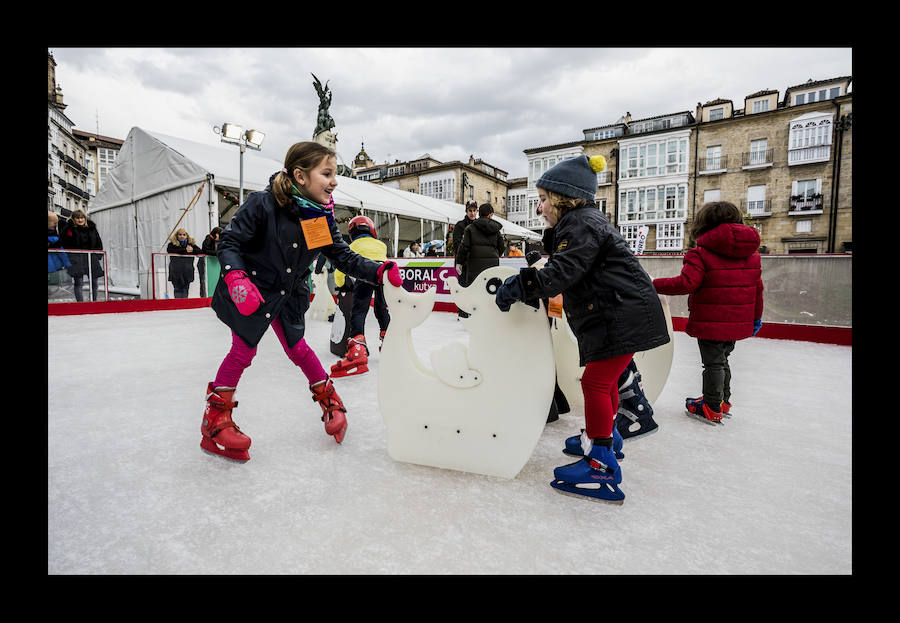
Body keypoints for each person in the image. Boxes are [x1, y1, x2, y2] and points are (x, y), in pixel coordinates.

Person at [205, 140, 401, 461]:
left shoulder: (317, 217)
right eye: (327, 173)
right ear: (300, 176)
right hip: (251, 292)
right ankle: (214, 420)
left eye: (334, 173)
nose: (334, 181)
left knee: (298, 348)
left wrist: (379, 271)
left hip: (288, 293)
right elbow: (230, 241)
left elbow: (343, 257)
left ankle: (329, 400)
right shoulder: (263, 204)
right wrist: (235, 277)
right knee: (243, 350)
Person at [494, 154, 669, 503]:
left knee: (596, 382)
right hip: (622, 311)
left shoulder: (580, 223)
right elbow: (569, 262)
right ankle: (603, 437)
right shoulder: (582, 222)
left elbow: (563, 271)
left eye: (543, 199)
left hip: (621, 313)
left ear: (563, 197)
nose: (540, 208)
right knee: (603, 381)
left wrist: (521, 285)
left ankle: (600, 463)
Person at [652, 201, 763, 425]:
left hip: (711, 322)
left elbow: (686, 283)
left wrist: (652, 284)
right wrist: (756, 317)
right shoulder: (752, 255)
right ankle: (722, 401)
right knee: (723, 360)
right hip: (738, 322)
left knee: (713, 363)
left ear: (704, 223)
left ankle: (711, 407)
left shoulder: (700, 253)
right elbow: (758, 288)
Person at [330, 215, 392, 377]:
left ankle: (358, 350)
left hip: (365, 276)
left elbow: (342, 267)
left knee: (359, 310)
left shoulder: (353, 245)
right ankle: (388, 341)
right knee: (381, 309)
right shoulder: (381, 245)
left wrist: (341, 283)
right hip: (383, 276)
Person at [59, 209, 104, 302]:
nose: (80, 220)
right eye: (77, 218)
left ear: (85, 218)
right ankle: (80, 303)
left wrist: (98, 255)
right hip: (76, 258)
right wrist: (68, 226)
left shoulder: (91, 228)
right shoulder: (69, 229)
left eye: (82, 217)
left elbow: (98, 241)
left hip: (91, 258)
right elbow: (64, 241)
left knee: (94, 283)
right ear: (73, 219)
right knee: (78, 282)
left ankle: (93, 302)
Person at [455, 203, 505, 287]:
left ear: (479, 213)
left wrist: (459, 262)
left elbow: (464, 247)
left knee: (474, 292)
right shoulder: (496, 230)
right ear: (490, 215)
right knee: (490, 291)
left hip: (474, 267)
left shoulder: (470, 228)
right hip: (492, 266)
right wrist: (495, 255)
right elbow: (502, 247)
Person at [166, 228, 202, 299]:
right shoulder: (172, 244)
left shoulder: (191, 245)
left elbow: (200, 251)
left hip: (187, 271)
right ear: (177, 236)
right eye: (180, 234)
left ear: (187, 236)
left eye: (184, 235)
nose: (182, 236)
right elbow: (170, 250)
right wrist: (185, 250)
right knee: (177, 289)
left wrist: (192, 250)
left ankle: (185, 304)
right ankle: (178, 304)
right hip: (176, 271)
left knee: (186, 289)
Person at [199, 226, 223, 296]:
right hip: (204, 263)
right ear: (216, 234)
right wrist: (217, 253)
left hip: (214, 264)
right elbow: (205, 250)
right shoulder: (208, 239)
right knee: (203, 281)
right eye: (220, 235)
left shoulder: (219, 241)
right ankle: (204, 296)